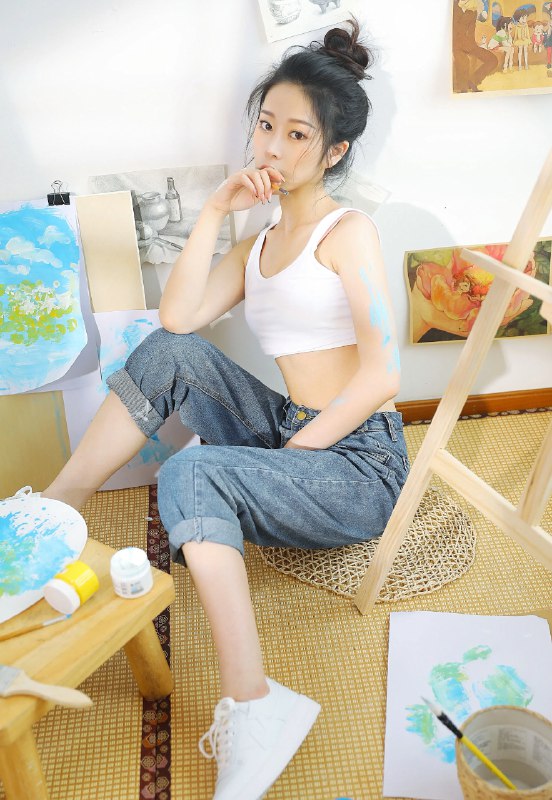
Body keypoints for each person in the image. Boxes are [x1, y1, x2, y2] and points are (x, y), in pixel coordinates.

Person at [33, 18, 409, 800]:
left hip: (358, 461)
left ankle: (256, 703)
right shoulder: (258, 244)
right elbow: (177, 322)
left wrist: (296, 455)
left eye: (297, 135)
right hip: (292, 429)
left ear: (334, 152)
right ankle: (54, 515)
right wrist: (213, 212)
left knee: (192, 474)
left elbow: (383, 376)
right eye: (266, 125)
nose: (272, 147)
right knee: (168, 352)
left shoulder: (349, 234)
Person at [453, 0, 498, 92]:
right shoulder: (454, 7)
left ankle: (473, 81)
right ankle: (463, 89)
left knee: (492, 60)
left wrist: (472, 45)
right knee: (464, 62)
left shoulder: (472, 10)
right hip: (456, 44)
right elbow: (453, 31)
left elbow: (471, 31)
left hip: (469, 44)